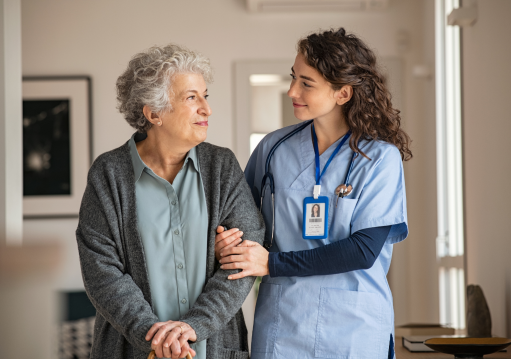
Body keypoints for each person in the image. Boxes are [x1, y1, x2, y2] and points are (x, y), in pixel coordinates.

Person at [215, 28, 411, 358]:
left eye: (307, 83)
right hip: (283, 324)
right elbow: (240, 219)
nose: (292, 90)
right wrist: (228, 240)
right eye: (294, 78)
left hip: (354, 328)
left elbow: (363, 250)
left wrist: (271, 264)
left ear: (342, 93)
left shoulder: (379, 158)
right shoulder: (272, 149)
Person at [75, 44, 264, 359]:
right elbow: (101, 271)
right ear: (153, 113)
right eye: (191, 98)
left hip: (213, 349)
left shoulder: (222, 166)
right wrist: (156, 338)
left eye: (205, 96)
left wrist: (193, 327)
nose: (206, 109)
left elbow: (245, 256)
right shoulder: (108, 174)